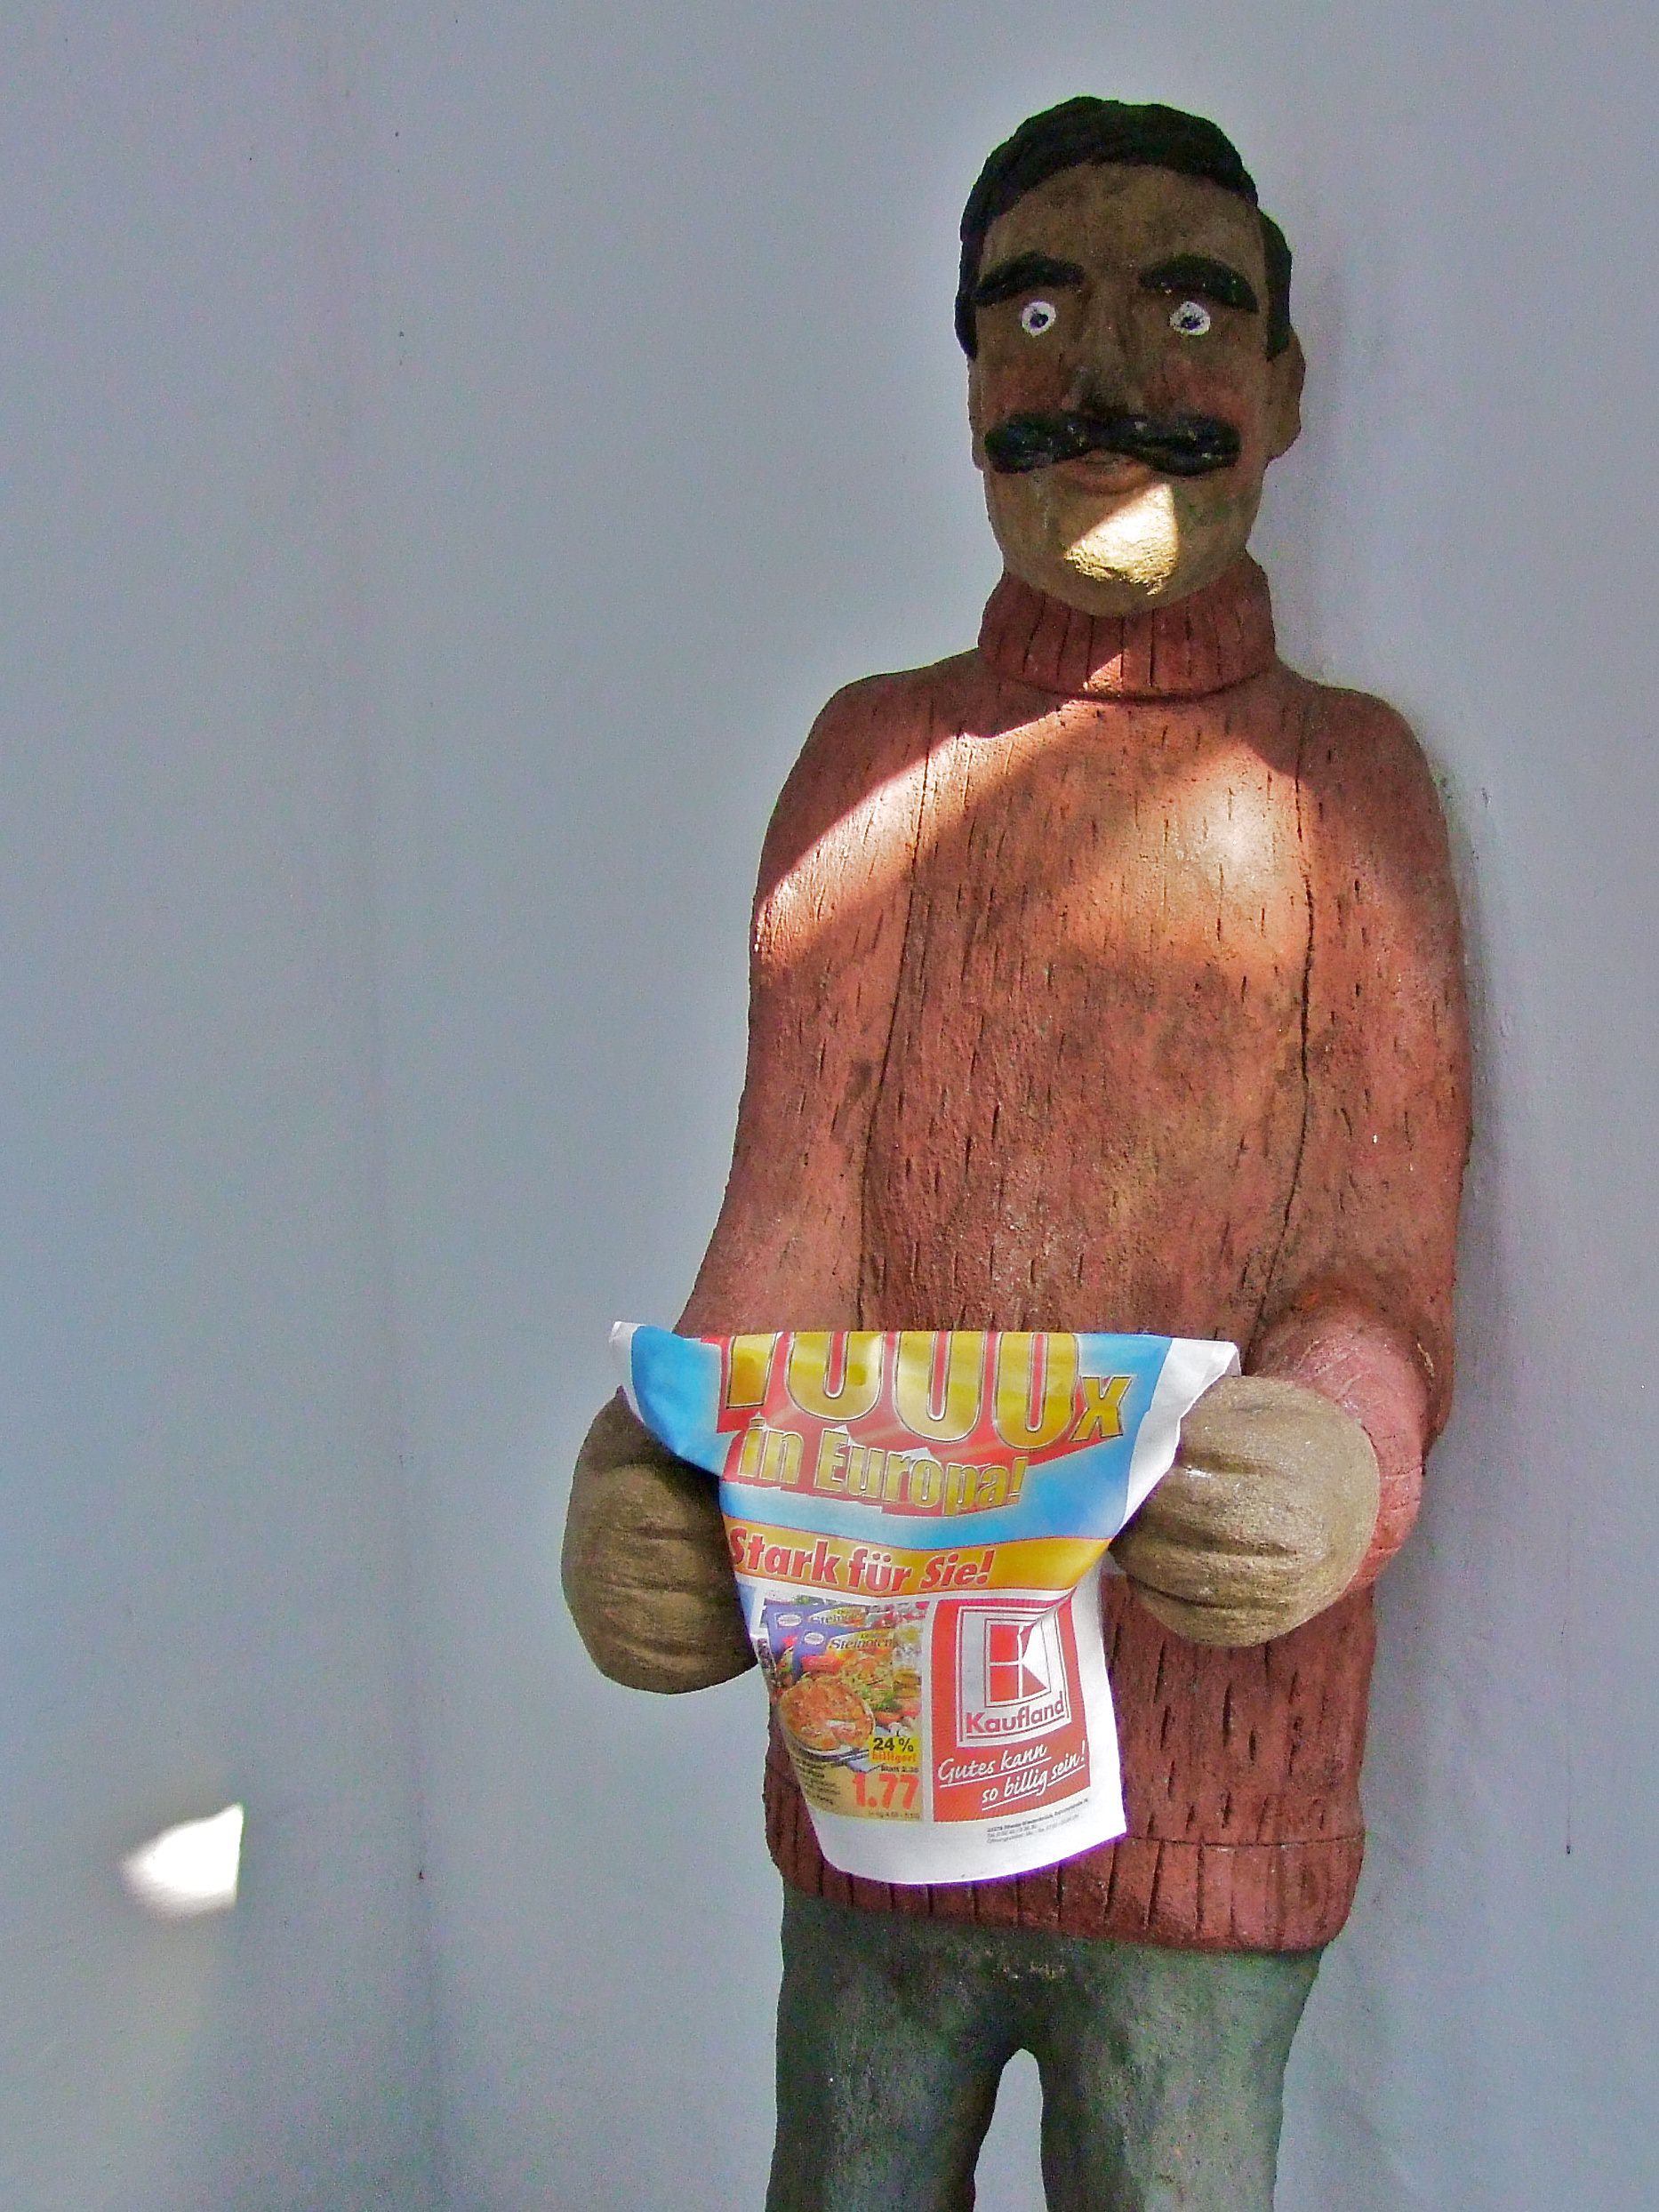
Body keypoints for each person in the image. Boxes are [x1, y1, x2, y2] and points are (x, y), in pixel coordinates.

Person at [564, 97, 1471, 2212]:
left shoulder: (1345, 785)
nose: (1111, 375)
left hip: (1208, 1767)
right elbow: (785, 1226)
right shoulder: (875, 762)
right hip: (883, 1744)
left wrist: (1332, 1456)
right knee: (846, 2170)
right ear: (969, 374)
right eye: (1040, 314)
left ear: (1283, 388)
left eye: (1191, 314)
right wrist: (664, 1476)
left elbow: (1380, 1264)